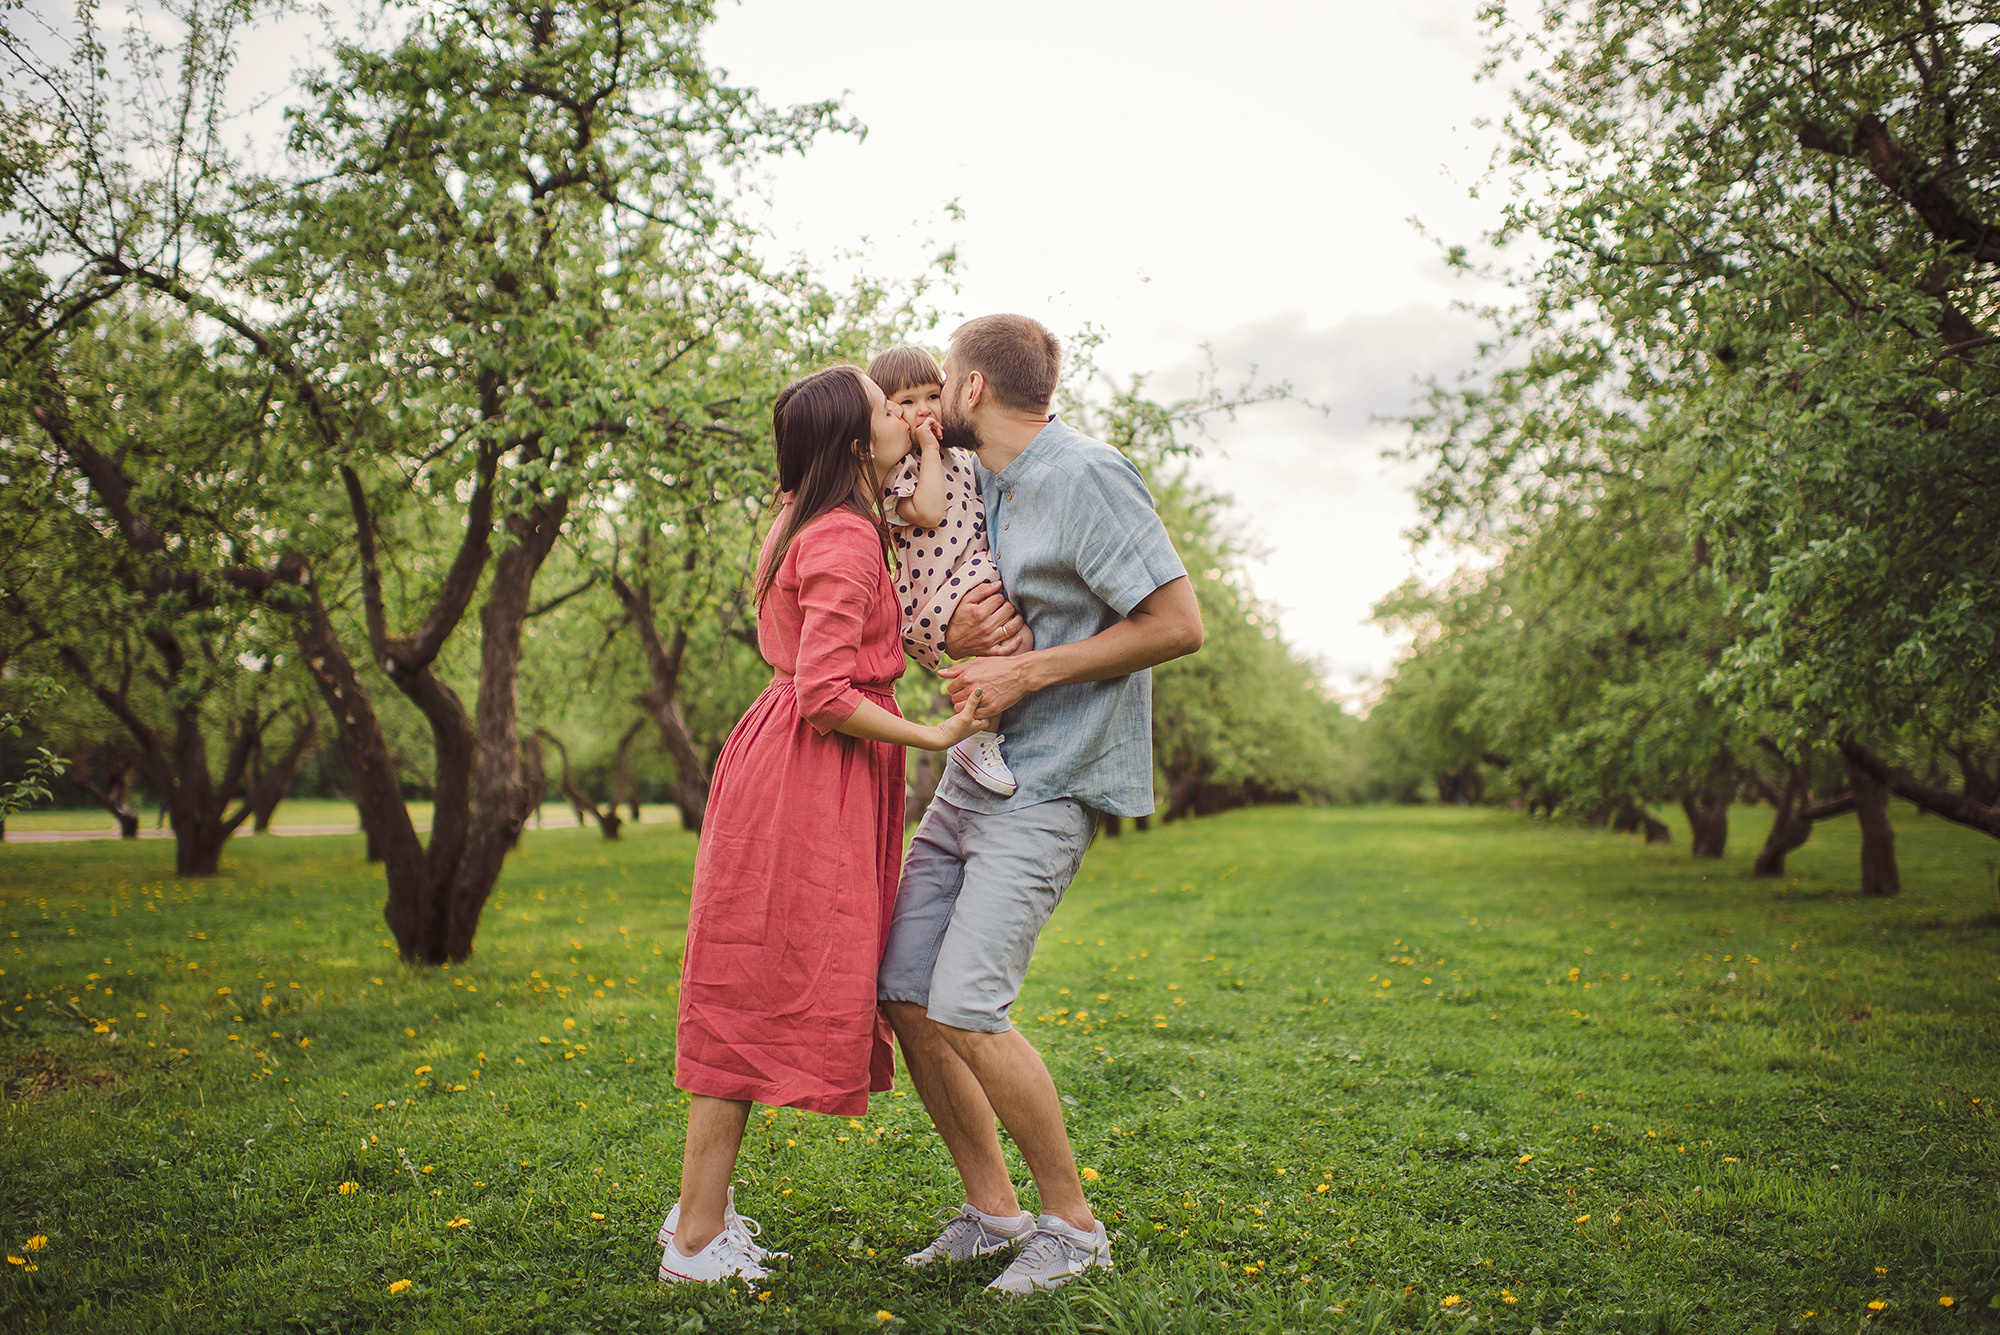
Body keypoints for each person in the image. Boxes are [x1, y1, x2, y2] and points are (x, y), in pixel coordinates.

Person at [879, 314, 1205, 1294]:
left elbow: (1178, 624)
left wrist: (1025, 672)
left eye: (939, 384)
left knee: (968, 1004)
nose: (929, 406)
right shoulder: (989, 486)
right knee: (903, 988)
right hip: (971, 774)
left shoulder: (1083, 475)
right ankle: (992, 1212)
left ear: (970, 390)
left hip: (1050, 779)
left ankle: (1072, 1226)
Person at [658, 365, 989, 1285]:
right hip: (814, 769)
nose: (905, 415)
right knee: (750, 979)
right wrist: (932, 729)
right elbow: (825, 694)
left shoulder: (808, 516)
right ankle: (694, 1236)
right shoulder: (843, 537)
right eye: (888, 410)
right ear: (854, 443)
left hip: (786, 760)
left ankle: (701, 1220)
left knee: (742, 976)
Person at [865, 344, 1023, 798]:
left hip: (973, 571)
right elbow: (930, 512)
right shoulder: (897, 467)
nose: (923, 411)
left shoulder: (959, 456)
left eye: (932, 396)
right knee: (1000, 648)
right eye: (906, 403)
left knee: (1018, 645)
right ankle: (974, 738)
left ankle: (980, 734)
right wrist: (930, 448)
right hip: (935, 590)